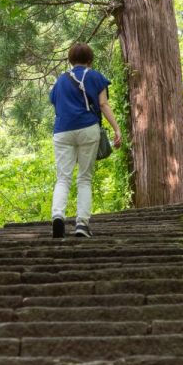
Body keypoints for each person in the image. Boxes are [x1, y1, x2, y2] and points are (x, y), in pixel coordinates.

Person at [48, 42, 122, 238]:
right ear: (90, 59)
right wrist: (116, 129)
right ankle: (81, 224)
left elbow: (55, 103)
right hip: (88, 128)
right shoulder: (95, 77)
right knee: (84, 178)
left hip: (62, 131)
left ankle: (57, 217)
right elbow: (103, 104)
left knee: (63, 178)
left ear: (70, 60)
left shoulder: (60, 81)